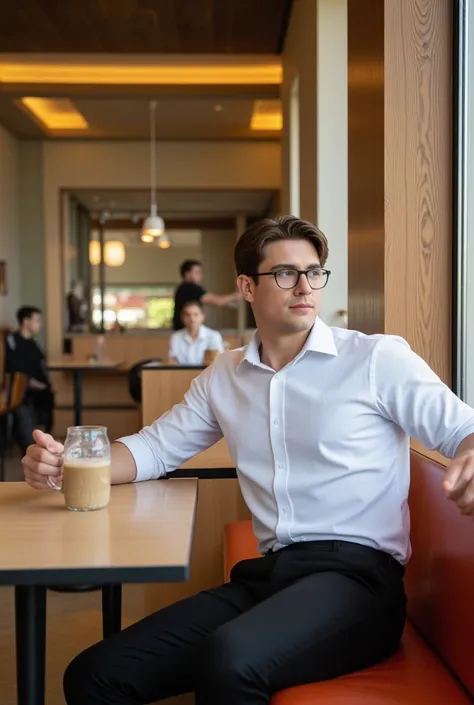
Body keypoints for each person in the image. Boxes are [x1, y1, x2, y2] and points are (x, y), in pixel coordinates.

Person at [22, 216, 474, 705]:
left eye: (314, 272)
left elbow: (462, 430)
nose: (305, 286)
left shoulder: (375, 358)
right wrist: (65, 464)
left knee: (230, 660)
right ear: (246, 286)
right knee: (95, 674)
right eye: (285, 273)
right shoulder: (226, 375)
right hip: (270, 574)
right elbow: (153, 449)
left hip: (358, 583)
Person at [6, 306, 54, 454]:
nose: (39, 324)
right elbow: (14, 369)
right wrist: (30, 383)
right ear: (26, 321)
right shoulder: (12, 341)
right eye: (37, 320)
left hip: (40, 394)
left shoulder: (33, 343)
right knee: (25, 432)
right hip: (22, 395)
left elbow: (41, 365)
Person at [172, 259, 239, 331]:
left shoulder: (182, 288)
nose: (200, 275)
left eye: (200, 272)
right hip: (185, 330)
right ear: (187, 273)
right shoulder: (190, 288)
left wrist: (231, 301)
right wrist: (237, 295)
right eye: (197, 272)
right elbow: (217, 301)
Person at [169, 300, 224, 365]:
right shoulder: (176, 337)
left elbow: (215, 363)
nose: (191, 318)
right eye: (187, 315)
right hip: (181, 374)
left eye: (195, 314)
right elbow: (172, 361)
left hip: (206, 374)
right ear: (182, 317)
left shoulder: (213, 336)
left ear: (202, 317)